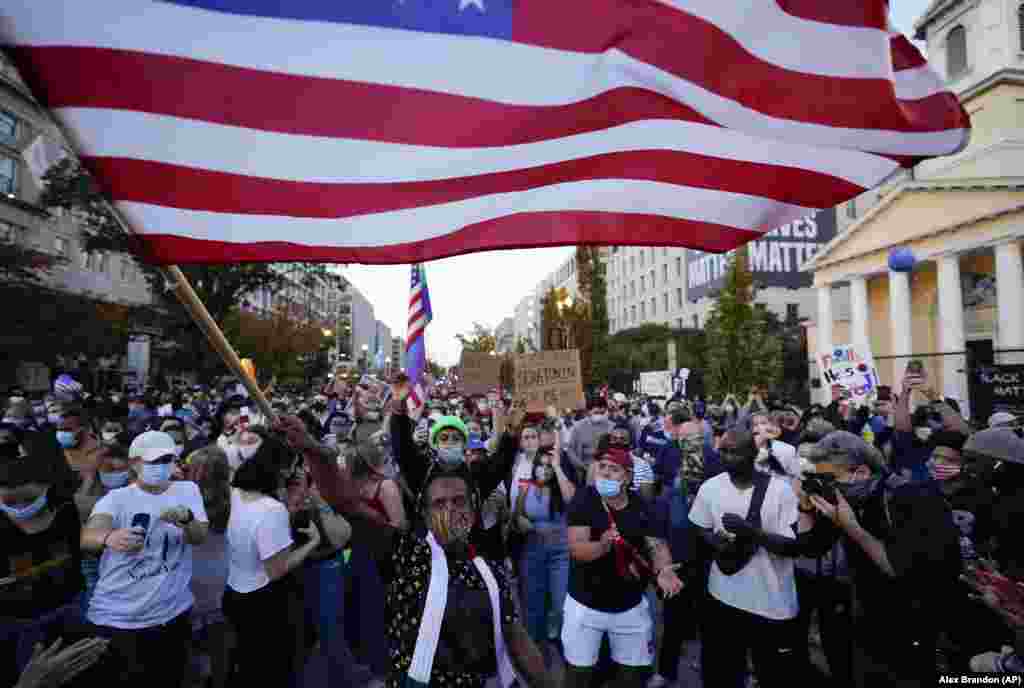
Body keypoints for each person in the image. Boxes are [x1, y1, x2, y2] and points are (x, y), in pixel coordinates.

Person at [282, 413, 555, 688]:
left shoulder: (492, 574)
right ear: (423, 513)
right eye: (439, 503)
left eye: (459, 501)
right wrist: (313, 450)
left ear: (473, 512)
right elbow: (347, 502)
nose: (450, 511)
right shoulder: (404, 554)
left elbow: (516, 637)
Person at [804, 430, 962, 687]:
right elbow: (811, 547)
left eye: (830, 478)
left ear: (862, 473)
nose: (827, 486)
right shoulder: (850, 497)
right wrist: (806, 505)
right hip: (868, 622)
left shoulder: (910, 498)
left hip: (914, 626)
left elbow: (899, 569)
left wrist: (852, 527)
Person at [78, 430, 209, 688]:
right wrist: (109, 537)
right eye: (153, 461)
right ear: (135, 463)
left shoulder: (187, 490)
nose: (161, 467)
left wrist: (187, 519)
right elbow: (88, 536)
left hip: (172, 616)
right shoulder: (117, 499)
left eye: (166, 460)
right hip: (119, 620)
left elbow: (199, 536)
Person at [688, 429, 805, 688]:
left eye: (735, 452)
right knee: (722, 673)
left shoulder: (780, 491)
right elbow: (700, 526)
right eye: (724, 451)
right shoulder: (711, 487)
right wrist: (715, 541)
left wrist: (750, 532)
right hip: (723, 596)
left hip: (770, 602)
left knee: (774, 674)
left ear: (752, 454)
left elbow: (792, 547)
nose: (727, 457)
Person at [562, 447, 683, 688]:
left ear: (627, 478)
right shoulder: (584, 499)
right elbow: (577, 549)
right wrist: (603, 545)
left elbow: (656, 545)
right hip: (586, 606)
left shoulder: (642, 507)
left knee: (633, 675)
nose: (605, 473)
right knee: (578, 675)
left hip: (629, 607)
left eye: (613, 469)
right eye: (602, 466)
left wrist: (664, 569)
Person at [223, 439, 321, 688]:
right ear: (279, 471)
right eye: (291, 469)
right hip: (265, 601)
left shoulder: (235, 493)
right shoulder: (271, 510)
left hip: (235, 592)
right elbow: (277, 570)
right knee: (273, 669)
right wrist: (312, 543)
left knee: (247, 664)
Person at [0, 456, 97, 688]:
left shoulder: (66, 510)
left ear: (47, 489)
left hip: (71, 605)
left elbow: (81, 554)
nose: (21, 508)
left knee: (83, 667)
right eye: (10, 501)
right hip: (15, 623)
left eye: (29, 499)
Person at [513, 441, 576, 662]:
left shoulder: (562, 490)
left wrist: (558, 467)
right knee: (533, 605)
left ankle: (557, 639)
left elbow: (572, 499)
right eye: (540, 465)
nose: (544, 469)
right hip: (533, 553)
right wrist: (520, 521)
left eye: (549, 466)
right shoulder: (525, 489)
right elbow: (516, 517)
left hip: (560, 555)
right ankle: (535, 649)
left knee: (560, 605)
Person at [565, 399, 614, 475]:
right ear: (588, 412)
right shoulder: (578, 427)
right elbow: (571, 450)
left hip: (607, 470)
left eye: (602, 413)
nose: (599, 416)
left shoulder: (612, 427)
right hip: (584, 469)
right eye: (596, 413)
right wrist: (582, 467)